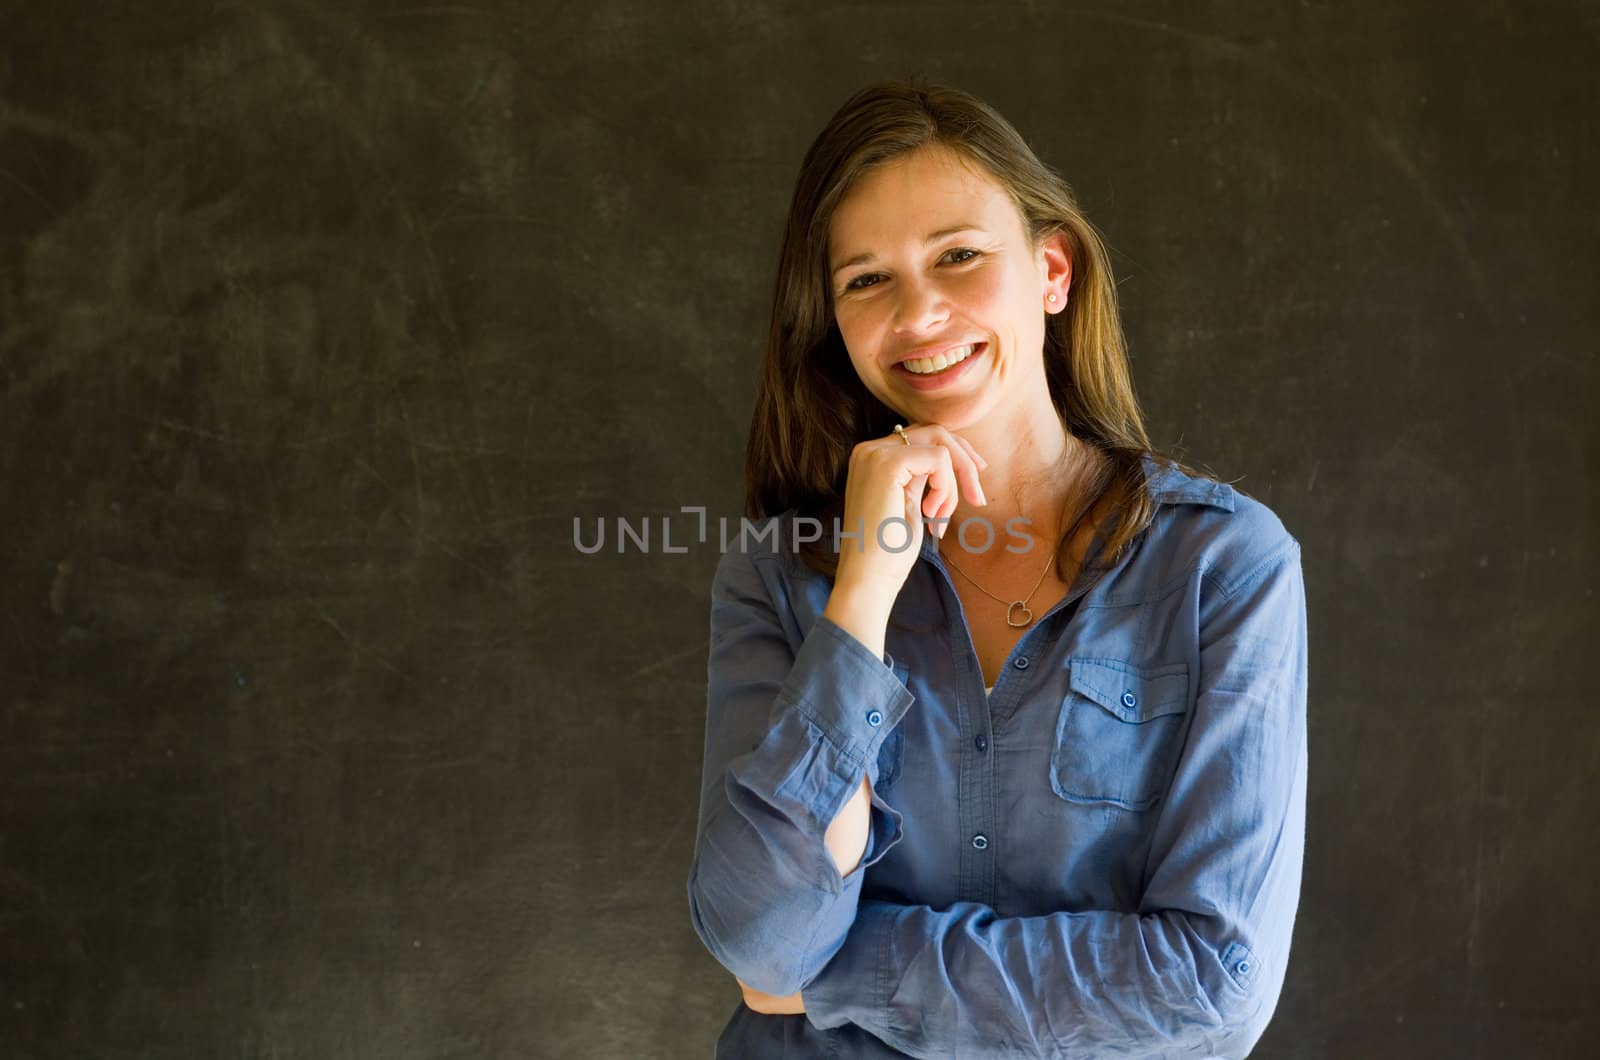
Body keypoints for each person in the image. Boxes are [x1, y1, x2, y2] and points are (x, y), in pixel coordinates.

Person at [685, 76, 1308, 1059]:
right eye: (865, 280)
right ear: (833, 322)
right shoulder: (777, 574)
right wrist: (861, 596)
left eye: (959, 256)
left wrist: (833, 975)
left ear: (1052, 270)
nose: (920, 313)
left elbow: (1213, 985)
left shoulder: (1222, 565)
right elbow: (762, 933)